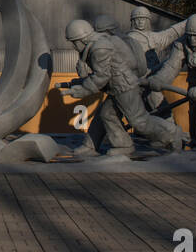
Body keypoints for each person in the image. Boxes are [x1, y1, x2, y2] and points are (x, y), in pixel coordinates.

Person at [61, 18, 182, 156]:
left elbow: (101, 77)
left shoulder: (99, 48)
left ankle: (172, 133)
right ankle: (121, 145)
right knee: (106, 114)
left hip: (125, 87)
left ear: (82, 39)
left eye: (73, 42)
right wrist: (80, 82)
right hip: (117, 87)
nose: (73, 46)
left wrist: (83, 90)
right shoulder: (98, 43)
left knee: (139, 121)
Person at [145, 13, 196, 150]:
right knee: (194, 108)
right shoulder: (182, 43)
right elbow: (172, 66)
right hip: (195, 79)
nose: (192, 39)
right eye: (189, 35)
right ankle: (195, 140)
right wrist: (159, 80)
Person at [125, 8, 186, 116]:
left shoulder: (153, 37)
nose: (140, 22)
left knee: (155, 111)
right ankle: (170, 129)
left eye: (143, 19)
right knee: (160, 111)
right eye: (137, 19)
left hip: (152, 78)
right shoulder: (128, 39)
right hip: (140, 80)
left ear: (148, 20)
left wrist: (188, 23)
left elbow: (171, 33)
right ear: (133, 21)